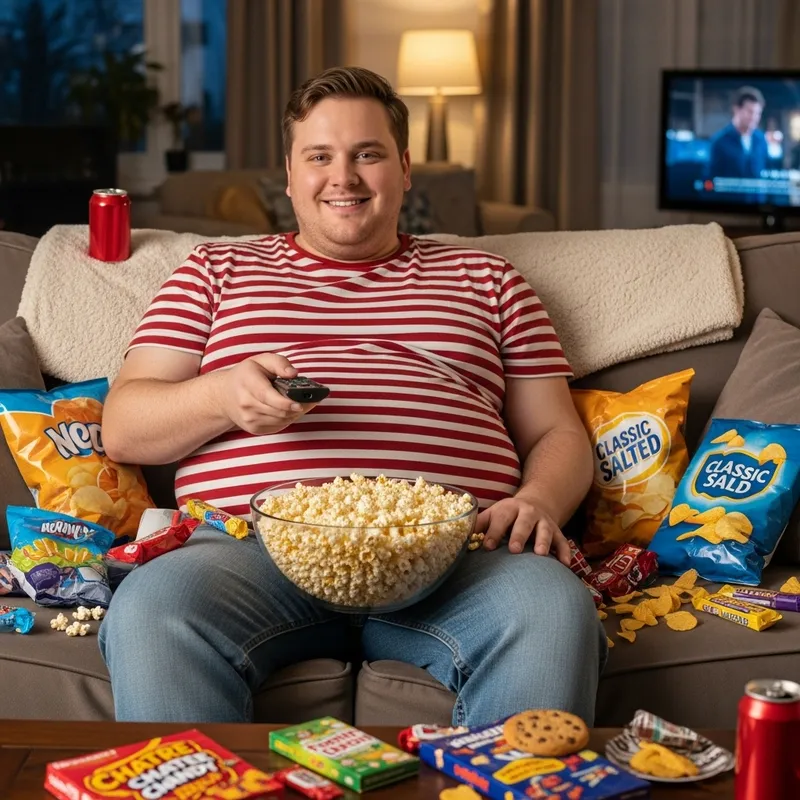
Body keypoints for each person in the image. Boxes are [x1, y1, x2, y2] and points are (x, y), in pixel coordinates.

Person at [99, 66, 605, 726]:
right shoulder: (214, 271)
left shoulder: (490, 279)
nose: (344, 177)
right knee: (151, 606)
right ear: (289, 174)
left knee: (554, 607)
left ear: (404, 167)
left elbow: (558, 434)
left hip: (460, 558)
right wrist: (221, 398)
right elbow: (123, 425)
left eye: (367, 154)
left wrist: (537, 501)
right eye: (320, 157)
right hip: (249, 554)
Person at [706, 86, 768, 199]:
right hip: (730, 209)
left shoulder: (760, 139)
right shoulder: (719, 141)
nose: (754, 117)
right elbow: (710, 181)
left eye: (758, 113)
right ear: (736, 109)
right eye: (750, 112)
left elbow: (763, 175)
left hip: (758, 208)